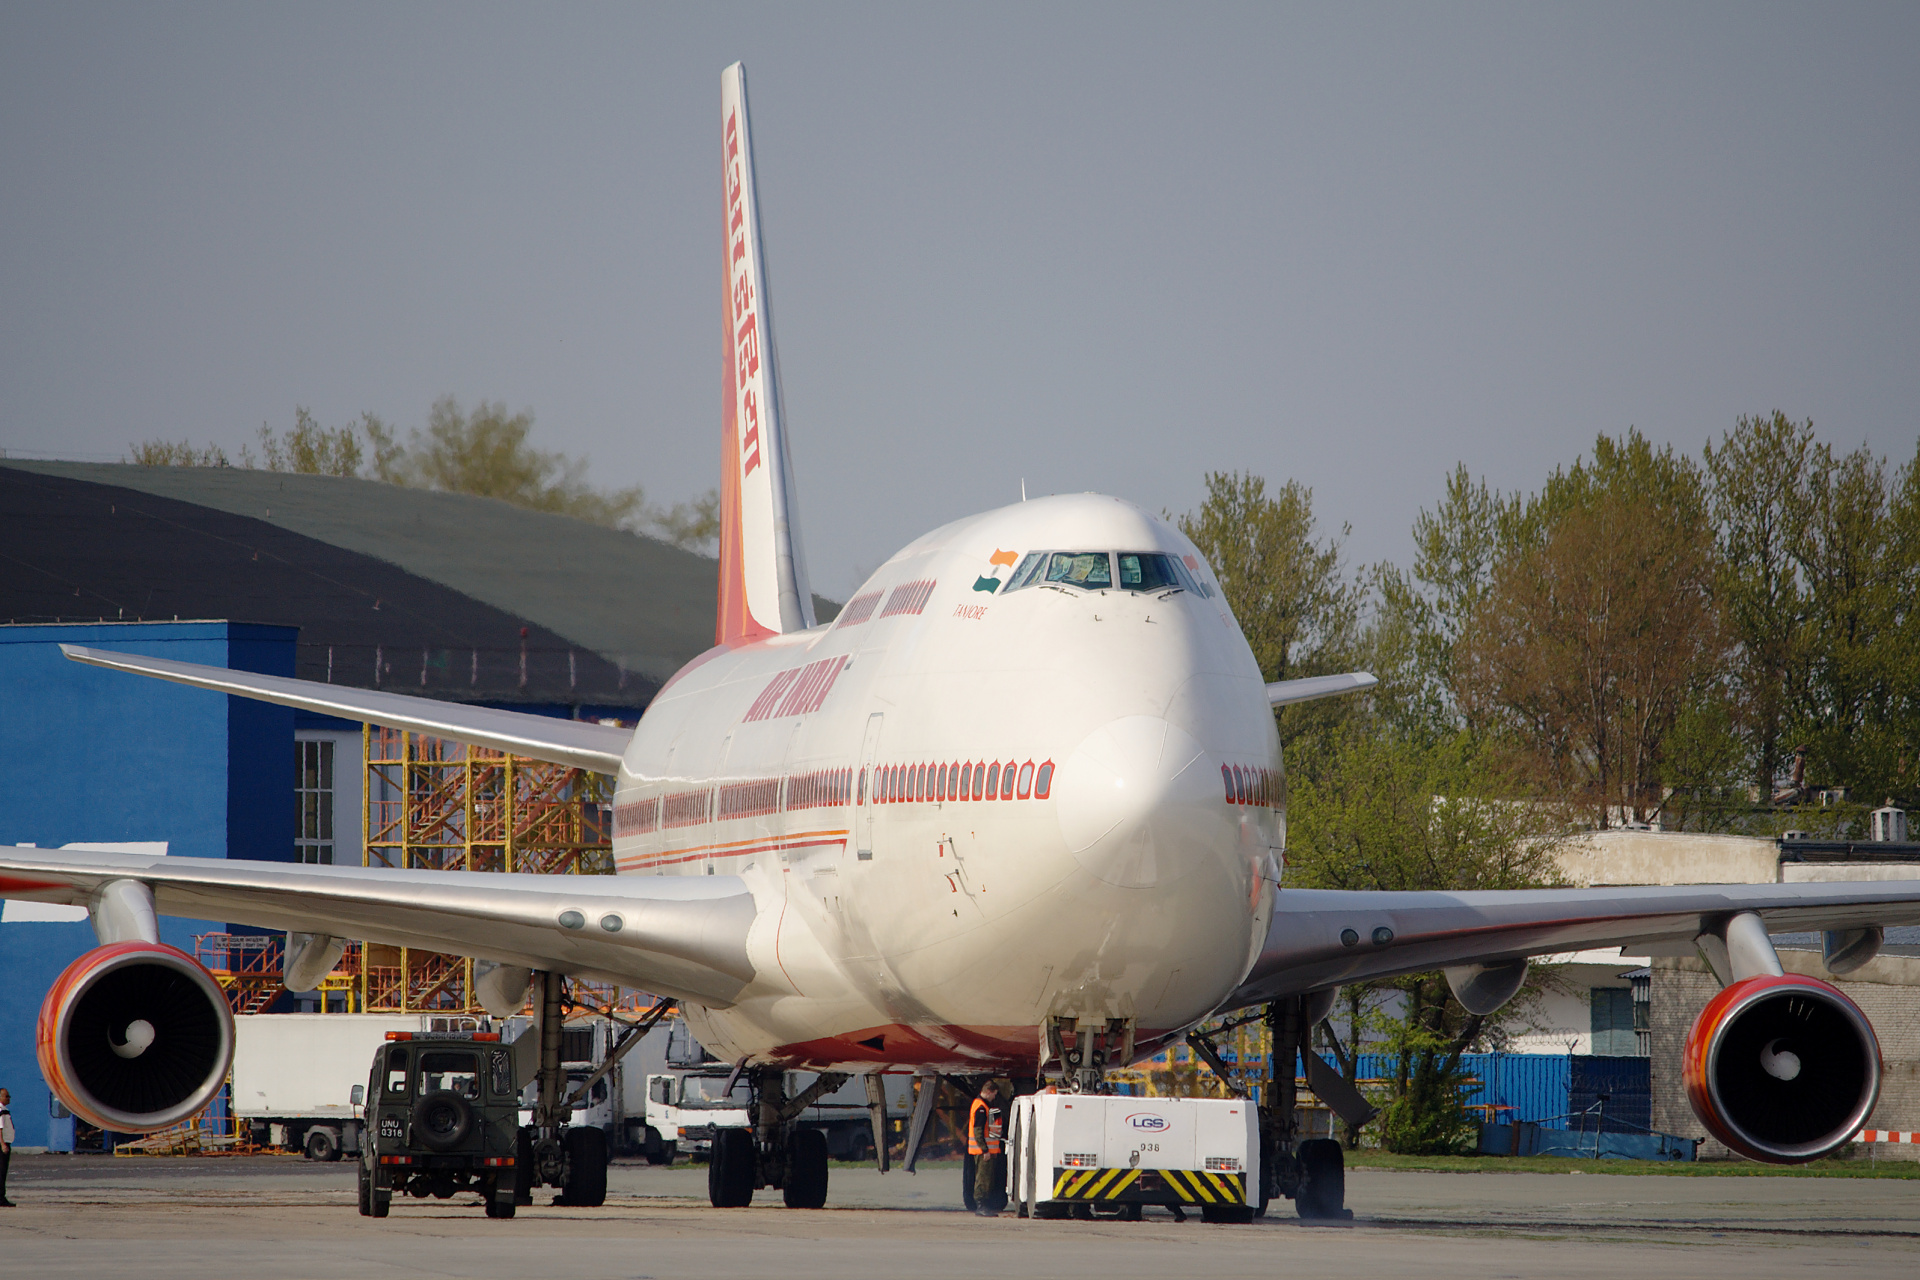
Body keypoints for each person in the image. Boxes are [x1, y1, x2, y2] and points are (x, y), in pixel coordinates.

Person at [967, 1081, 1004, 1216]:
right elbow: (978, 1131)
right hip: (982, 1151)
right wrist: (985, 1150)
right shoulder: (981, 1108)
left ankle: (983, 1205)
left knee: (986, 1178)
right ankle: (980, 1205)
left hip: (982, 1150)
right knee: (983, 1178)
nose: (994, 1097)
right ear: (988, 1092)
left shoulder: (981, 1105)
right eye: (993, 1094)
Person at [0, 1086, 14, 1207]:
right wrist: (3, 1144)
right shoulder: (0, 1110)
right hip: (2, 1145)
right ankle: (1, 1198)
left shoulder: (4, 1109)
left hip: (4, 1143)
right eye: (6, 1096)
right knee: (1, 1171)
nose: (9, 1098)